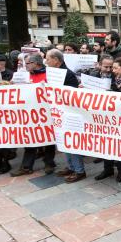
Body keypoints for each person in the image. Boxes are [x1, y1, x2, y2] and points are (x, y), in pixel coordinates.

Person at [45, 49, 83, 182]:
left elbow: (72, 95)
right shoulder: (53, 73)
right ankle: (71, 167)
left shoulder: (68, 74)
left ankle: (79, 170)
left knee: (71, 141)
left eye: (48, 59)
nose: (46, 61)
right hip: (59, 113)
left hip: (69, 114)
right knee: (63, 139)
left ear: (56, 60)